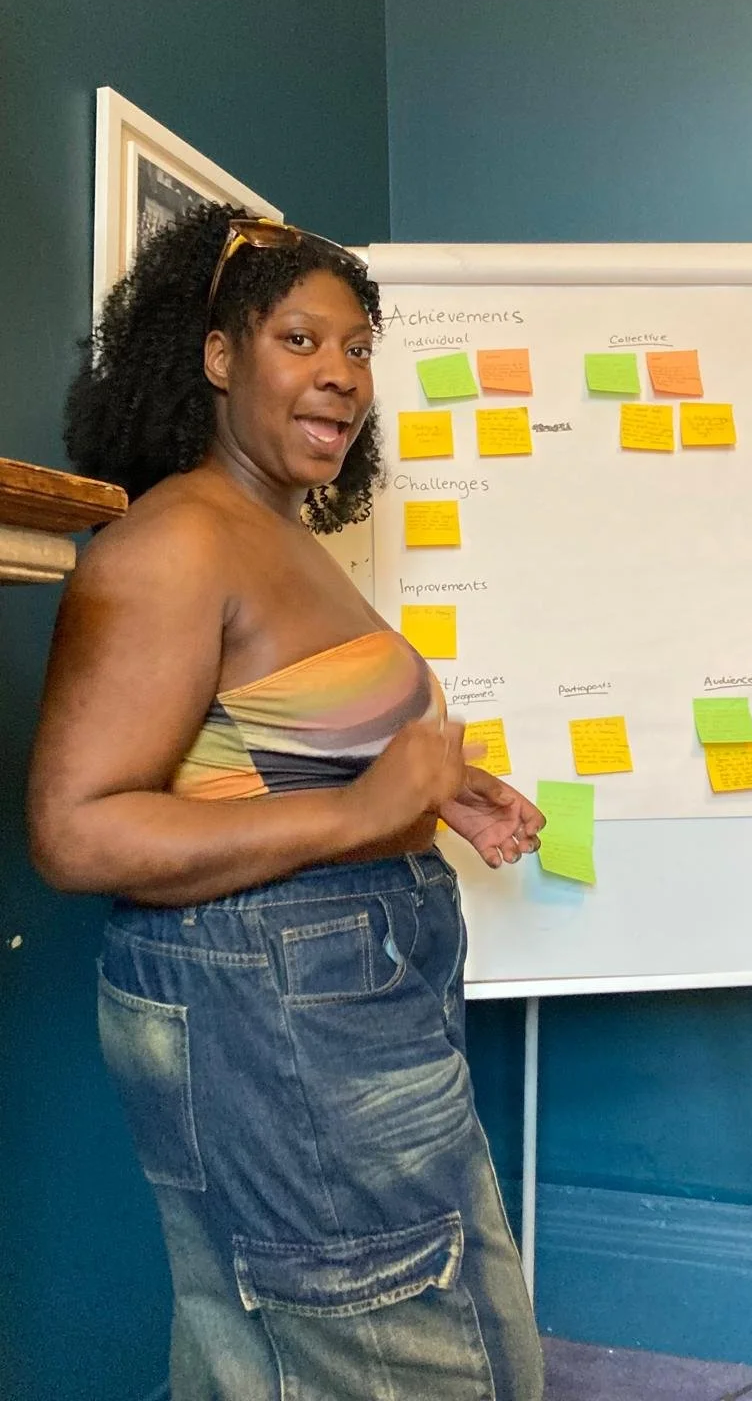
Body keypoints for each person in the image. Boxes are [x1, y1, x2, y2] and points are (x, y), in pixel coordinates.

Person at [27, 204, 546, 1401]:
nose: (342, 374)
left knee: (292, 1354)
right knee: (433, 1364)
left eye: (358, 348)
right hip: (279, 1017)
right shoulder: (176, 544)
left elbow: (264, 750)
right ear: (220, 355)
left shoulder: (275, 531)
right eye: (301, 340)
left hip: (337, 999)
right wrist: (361, 815)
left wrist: (433, 794)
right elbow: (75, 828)